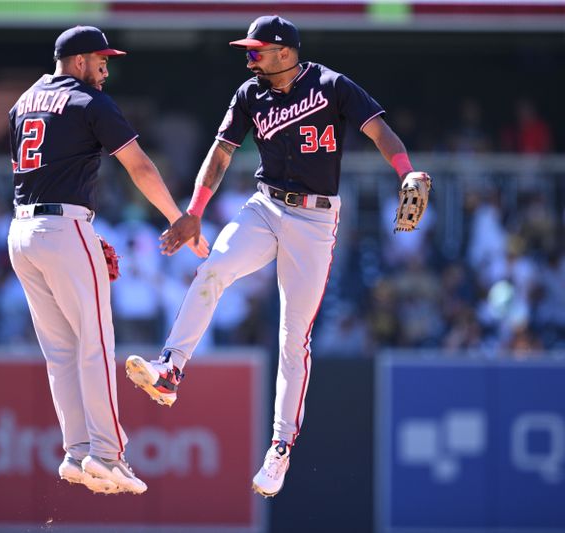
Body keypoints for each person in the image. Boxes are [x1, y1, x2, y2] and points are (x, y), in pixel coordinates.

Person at [125, 15, 431, 497]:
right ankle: (170, 368)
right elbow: (221, 152)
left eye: (257, 51)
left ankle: (280, 447)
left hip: (315, 221)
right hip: (266, 205)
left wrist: (407, 172)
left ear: (285, 52)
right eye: (248, 50)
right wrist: (194, 211)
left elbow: (379, 130)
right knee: (213, 269)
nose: (250, 58)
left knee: (294, 339)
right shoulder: (249, 94)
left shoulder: (331, 84)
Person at [6, 25, 208, 496]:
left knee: (61, 352)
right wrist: (178, 217)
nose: (105, 68)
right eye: (100, 59)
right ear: (77, 61)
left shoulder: (23, 101)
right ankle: (108, 454)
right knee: (95, 343)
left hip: (21, 231)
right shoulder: (87, 100)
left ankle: (77, 453)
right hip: (63, 227)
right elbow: (138, 164)